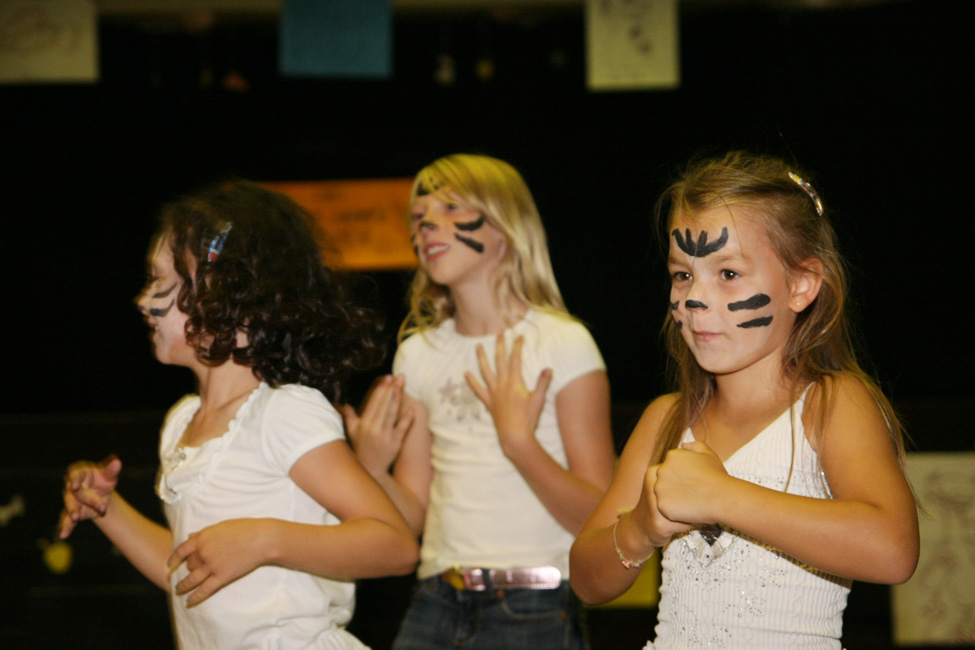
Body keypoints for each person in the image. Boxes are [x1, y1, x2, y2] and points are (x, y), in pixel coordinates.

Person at [569, 151, 920, 649]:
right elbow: (587, 579)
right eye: (682, 274)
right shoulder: (666, 418)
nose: (695, 299)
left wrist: (722, 496)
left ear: (801, 285)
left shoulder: (833, 402)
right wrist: (641, 527)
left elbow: (893, 549)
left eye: (728, 274)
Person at [59, 180, 419, 650]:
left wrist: (266, 539)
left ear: (236, 300)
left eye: (161, 282)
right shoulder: (182, 423)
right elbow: (189, 572)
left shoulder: (282, 412)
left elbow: (394, 546)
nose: (143, 301)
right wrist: (108, 510)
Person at [340, 154, 616, 649]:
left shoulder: (562, 343)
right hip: (435, 599)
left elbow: (604, 519)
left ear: (506, 226)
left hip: (535, 604)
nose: (427, 225)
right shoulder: (418, 354)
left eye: (449, 207)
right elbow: (412, 517)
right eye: (419, 217)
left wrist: (518, 443)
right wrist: (372, 470)